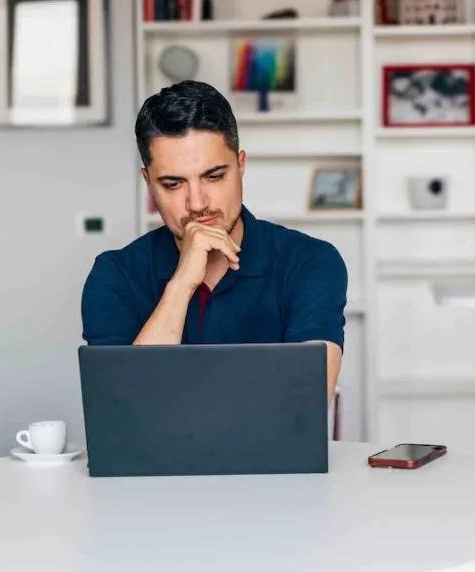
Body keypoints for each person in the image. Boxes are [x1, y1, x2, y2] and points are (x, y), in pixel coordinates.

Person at [80, 80, 347, 405]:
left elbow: (308, 402)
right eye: (173, 183)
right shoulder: (114, 275)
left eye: (214, 176)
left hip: (270, 457)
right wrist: (182, 284)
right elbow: (122, 407)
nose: (197, 203)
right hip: (155, 458)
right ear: (149, 183)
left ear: (241, 166)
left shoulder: (310, 261)